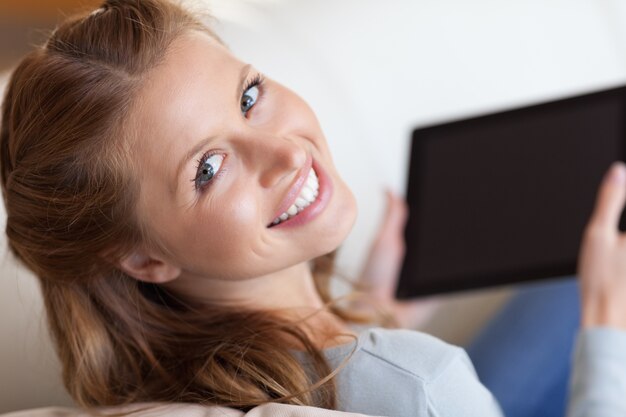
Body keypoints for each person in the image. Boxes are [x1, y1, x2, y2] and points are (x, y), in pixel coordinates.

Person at [2, 1, 626, 416]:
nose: (283, 152)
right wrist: (606, 329)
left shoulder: (165, 384)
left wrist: (372, 315)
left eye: (249, 96)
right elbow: (413, 391)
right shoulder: (421, 385)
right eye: (209, 168)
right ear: (142, 256)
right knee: (576, 296)